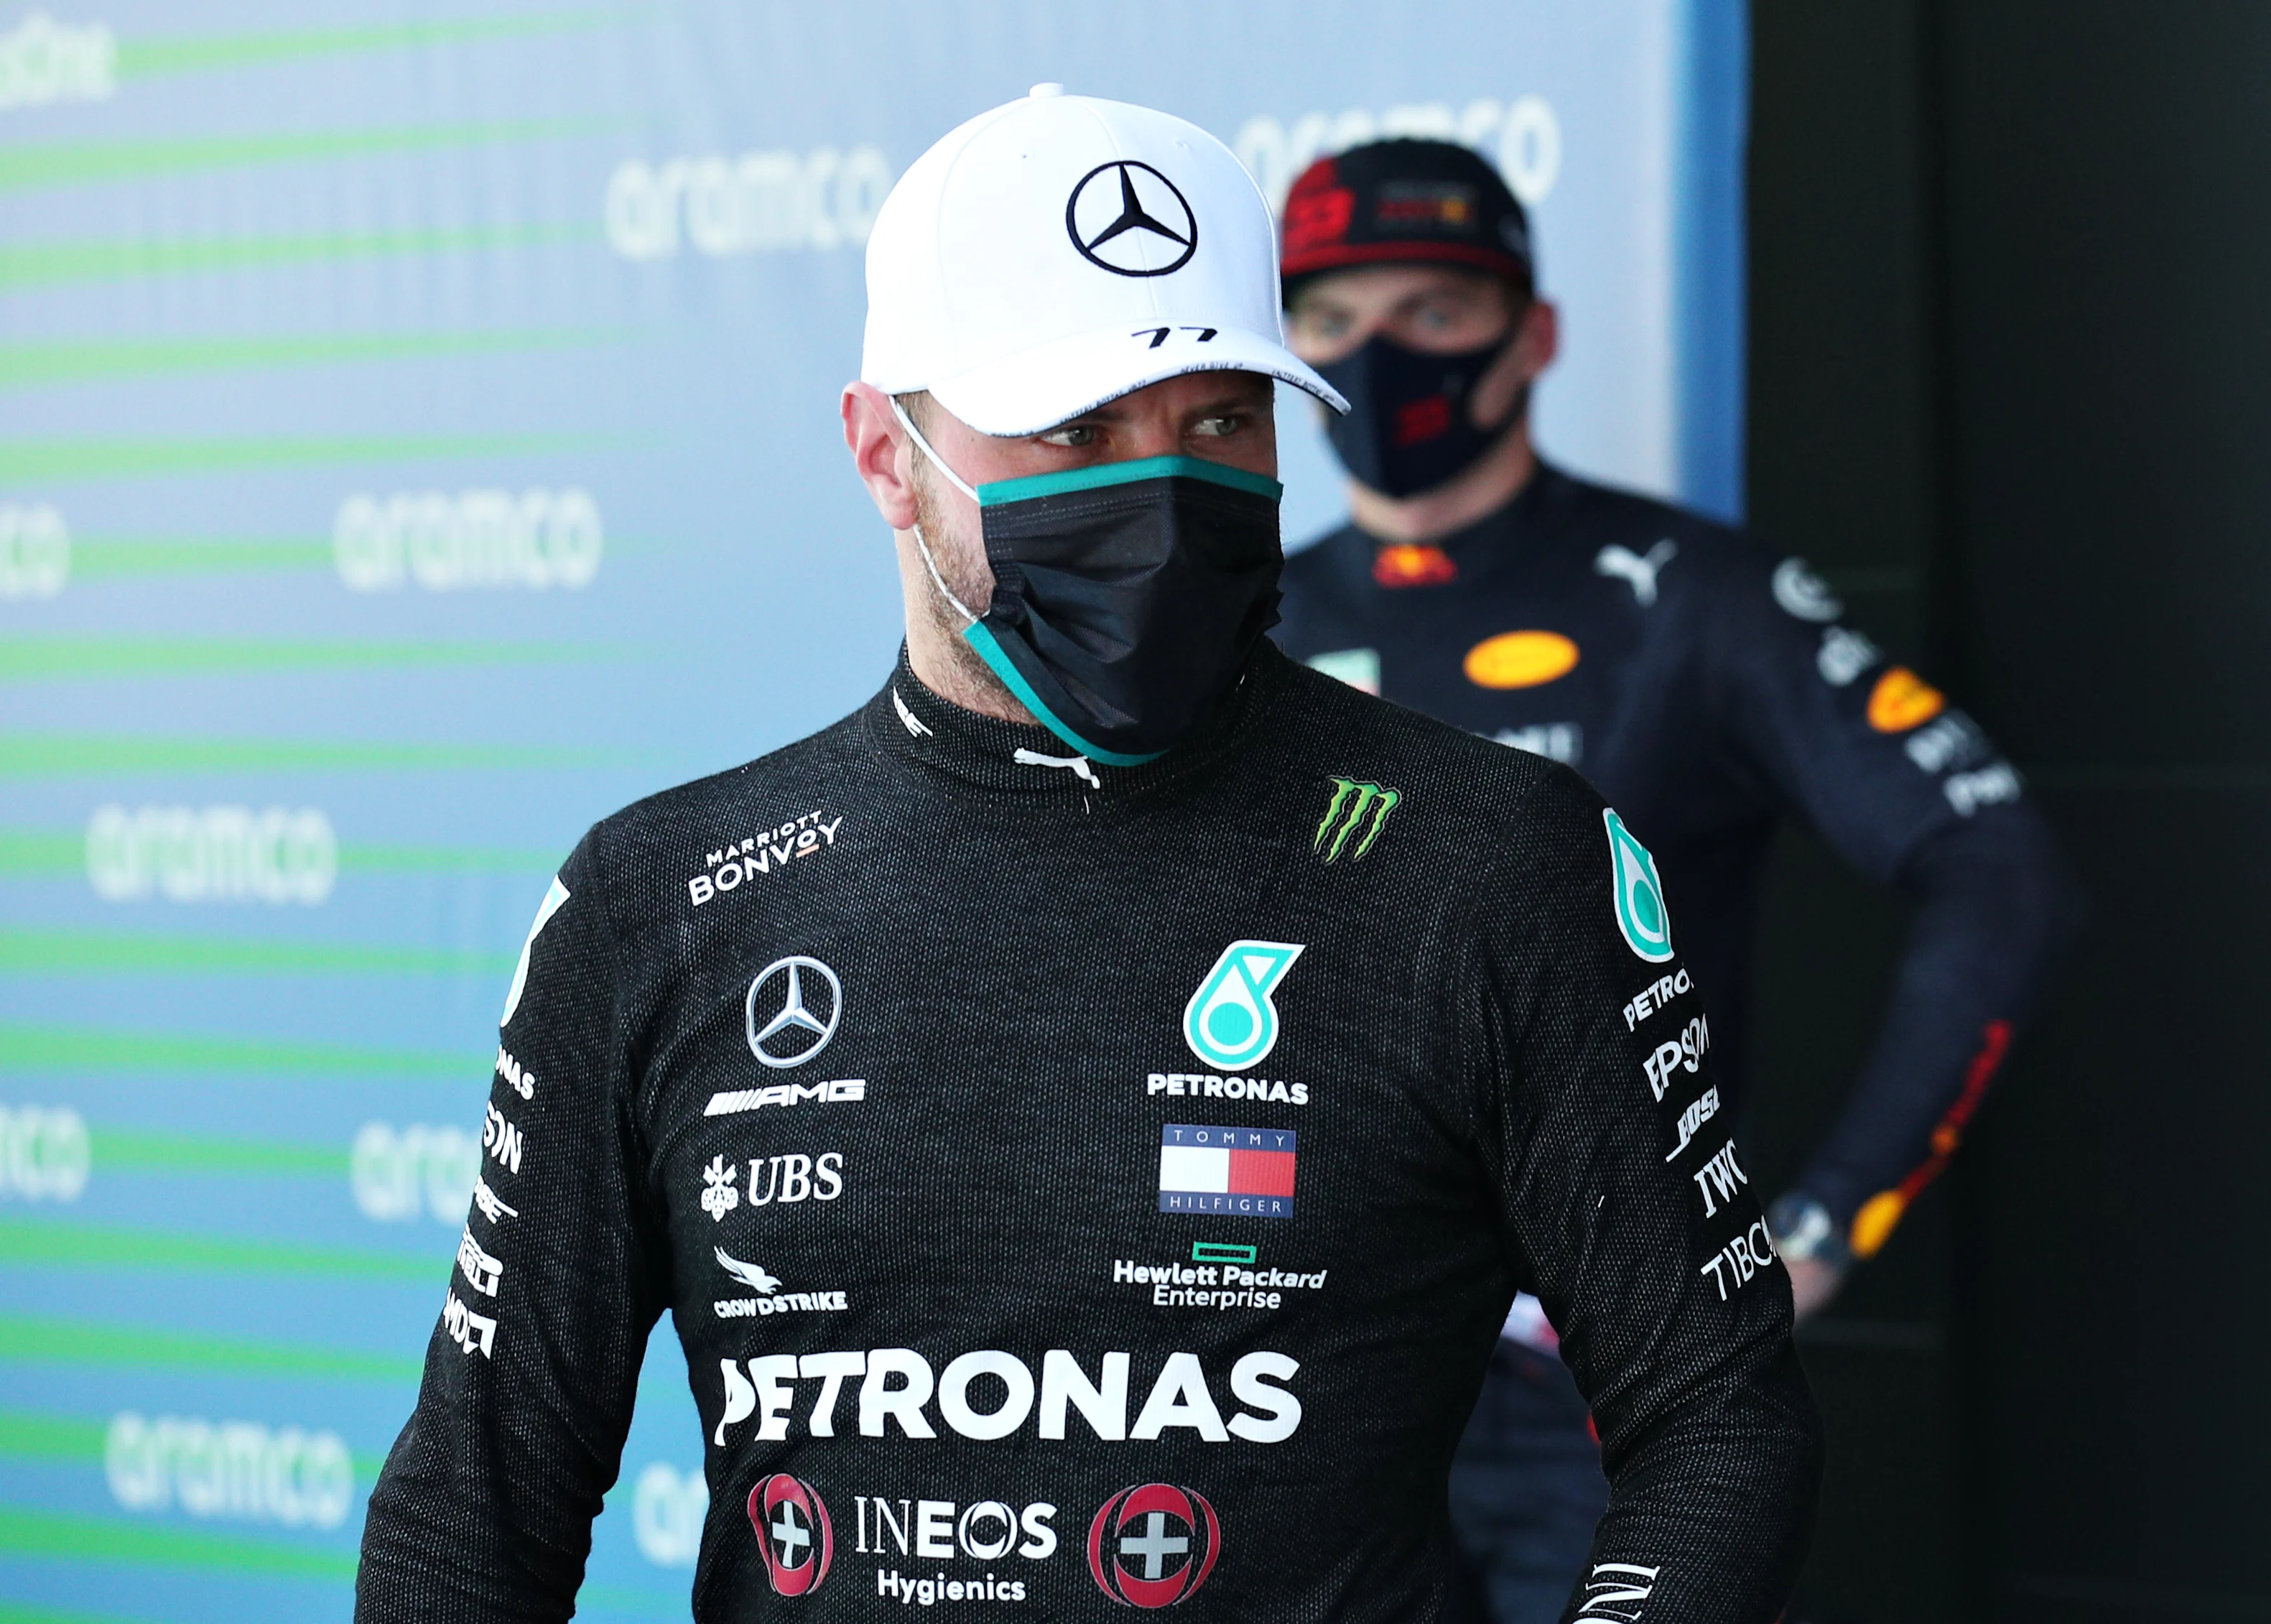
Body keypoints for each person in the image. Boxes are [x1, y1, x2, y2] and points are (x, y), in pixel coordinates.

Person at [354, 89, 1821, 1623]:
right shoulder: (660, 902)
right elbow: (482, 1489)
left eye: (1218, 419)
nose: (1161, 485)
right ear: (882, 452)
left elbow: (1717, 1416)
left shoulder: (1490, 859)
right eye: (1074, 427)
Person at [1271, 138, 2081, 1624]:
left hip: (1596, 1373)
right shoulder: (1248, 616)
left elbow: (1996, 864)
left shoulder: (1689, 597)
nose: (1379, 354)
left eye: (1433, 310)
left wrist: (1829, 1220)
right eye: (1330, 319)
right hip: (1298, 1369)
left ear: (1535, 332)